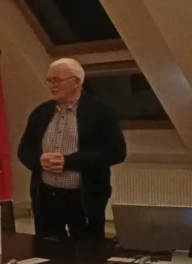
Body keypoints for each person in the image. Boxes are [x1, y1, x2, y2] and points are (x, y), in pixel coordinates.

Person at [18, 58, 126, 240]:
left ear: (76, 81)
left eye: (56, 80)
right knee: (47, 249)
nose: (51, 85)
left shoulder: (101, 111)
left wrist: (69, 162)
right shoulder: (41, 112)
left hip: (84, 198)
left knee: (87, 250)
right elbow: (24, 150)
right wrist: (39, 160)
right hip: (46, 197)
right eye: (49, 80)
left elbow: (116, 152)